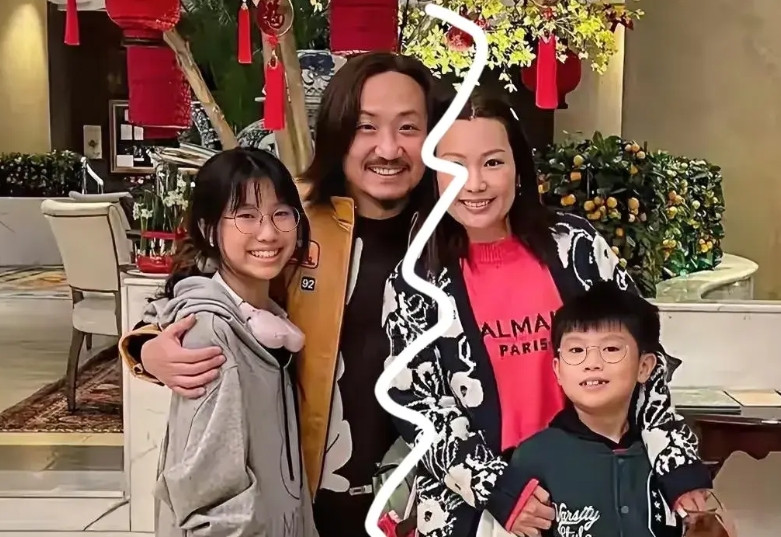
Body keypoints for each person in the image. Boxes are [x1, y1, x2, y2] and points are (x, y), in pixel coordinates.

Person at [118, 52, 441, 537]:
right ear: (338, 131)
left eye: (409, 128)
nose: (388, 148)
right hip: (309, 501)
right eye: (366, 127)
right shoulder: (291, 214)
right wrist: (147, 347)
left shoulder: (452, 230)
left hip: (424, 504)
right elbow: (191, 285)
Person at [381, 90, 712, 537]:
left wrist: (675, 463)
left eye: (493, 162)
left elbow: (642, 352)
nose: (474, 184)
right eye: (454, 166)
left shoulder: (575, 247)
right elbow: (415, 404)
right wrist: (497, 488)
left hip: (600, 492)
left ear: (519, 168)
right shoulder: (417, 281)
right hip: (479, 512)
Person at [150, 148, 317, 537]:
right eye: (246, 216)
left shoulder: (270, 317)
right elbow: (209, 499)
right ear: (209, 229)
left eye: (281, 214)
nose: (268, 233)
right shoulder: (212, 334)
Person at [477, 281, 700, 537]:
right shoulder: (533, 458)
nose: (592, 363)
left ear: (644, 367)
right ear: (557, 370)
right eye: (576, 350)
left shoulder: (666, 459)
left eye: (611, 348)